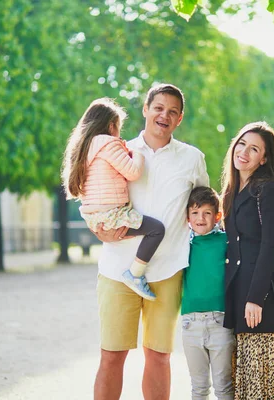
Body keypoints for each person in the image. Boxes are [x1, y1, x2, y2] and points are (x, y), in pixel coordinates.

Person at [92, 84, 210, 400]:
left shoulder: (193, 159)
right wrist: (98, 227)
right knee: (112, 356)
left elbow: (204, 208)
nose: (164, 115)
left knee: (158, 356)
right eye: (158, 108)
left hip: (167, 273)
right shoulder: (118, 151)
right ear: (145, 109)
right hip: (118, 270)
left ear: (180, 118)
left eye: (172, 111)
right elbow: (96, 194)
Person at [62, 97, 165, 300]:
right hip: (113, 214)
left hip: (96, 217)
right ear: (111, 126)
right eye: (119, 127)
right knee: (156, 229)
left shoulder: (83, 148)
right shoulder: (109, 144)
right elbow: (133, 172)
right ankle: (135, 274)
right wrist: (137, 154)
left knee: (131, 233)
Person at [220, 121, 274, 400]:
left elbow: (270, 247)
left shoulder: (269, 190)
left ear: (264, 159)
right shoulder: (231, 191)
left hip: (256, 295)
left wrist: (255, 297)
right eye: (242, 144)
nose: (244, 152)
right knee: (243, 378)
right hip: (236, 291)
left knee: (261, 375)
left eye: (254, 149)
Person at [181, 186, 235, 400]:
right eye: (195, 213)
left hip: (220, 322)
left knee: (223, 386)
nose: (200, 218)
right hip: (189, 323)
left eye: (206, 213)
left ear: (217, 216)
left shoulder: (226, 242)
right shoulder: (183, 244)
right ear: (187, 217)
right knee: (199, 387)